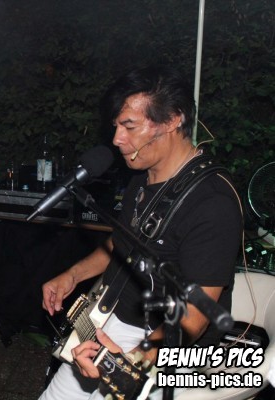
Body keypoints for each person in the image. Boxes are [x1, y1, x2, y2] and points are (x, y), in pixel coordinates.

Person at [39, 66, 242, 399]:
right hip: (113, 322)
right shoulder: (141, 179)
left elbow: (194, 319)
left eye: (129, 126)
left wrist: (130, 362)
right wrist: (73, 275)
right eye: (116, 126)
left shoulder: (212, 203)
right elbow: (121, 242)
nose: (117, 139)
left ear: (172, 119)